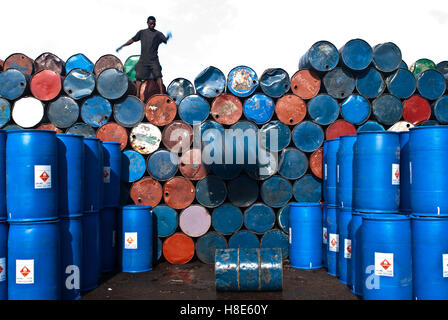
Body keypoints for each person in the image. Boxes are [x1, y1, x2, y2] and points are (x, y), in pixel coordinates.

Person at [116, 16, 171, 98]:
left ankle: (161, 94)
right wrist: (122, 46)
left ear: (155, 23)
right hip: (143, 59)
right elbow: (132, 40)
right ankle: (138, 95)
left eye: (153, 23)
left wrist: (168, 36)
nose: (152, 24)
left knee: (158, 76)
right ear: (147, 23)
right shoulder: (142, 32)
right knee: (138, 77)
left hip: (154, 59)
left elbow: (165, 40)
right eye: (151, 23)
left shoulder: (158, 34)